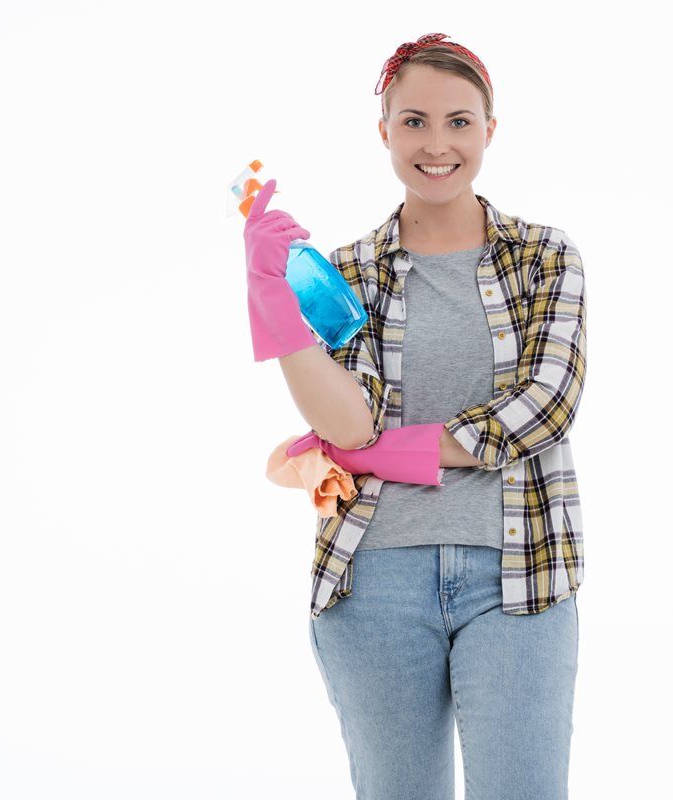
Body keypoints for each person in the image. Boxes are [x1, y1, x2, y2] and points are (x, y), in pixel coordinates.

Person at [242, 32, 588, 800]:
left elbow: (545, 406)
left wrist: (396, 453)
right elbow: (351, 429)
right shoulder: (351, 269)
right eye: (415, 121)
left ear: (490, 130)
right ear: (386, 131)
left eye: (460, 121)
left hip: (518, 576)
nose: (438, 144)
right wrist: (275, 300)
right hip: (375, 580)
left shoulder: (544, 257)